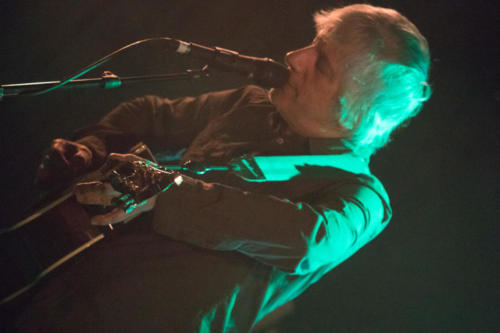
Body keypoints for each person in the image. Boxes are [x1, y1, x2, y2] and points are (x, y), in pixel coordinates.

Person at [13, 4, 430, 332]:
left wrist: (166, 191)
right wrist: (92, 147)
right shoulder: (249, 104)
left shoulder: (363, 196)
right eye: (313, 42)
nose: (293, 56)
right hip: (57, 293)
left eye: (320, 63)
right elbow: (149, 114)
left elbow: (307, 238)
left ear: (359, 111)